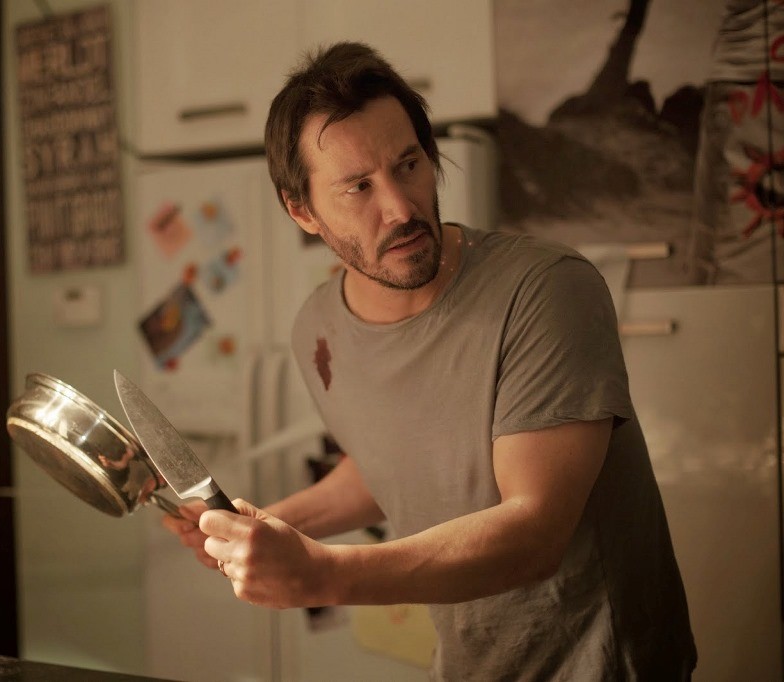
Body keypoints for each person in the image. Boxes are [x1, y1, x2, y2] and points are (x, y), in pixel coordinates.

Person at [163, 41, 697, 680]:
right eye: (358, 187)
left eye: (408, 164)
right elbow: (388, 465)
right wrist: (268, 526)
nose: (400, 207)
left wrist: (323, 573)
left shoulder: (546, 290)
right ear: (301, 209)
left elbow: (536, 534)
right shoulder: (319, 331)